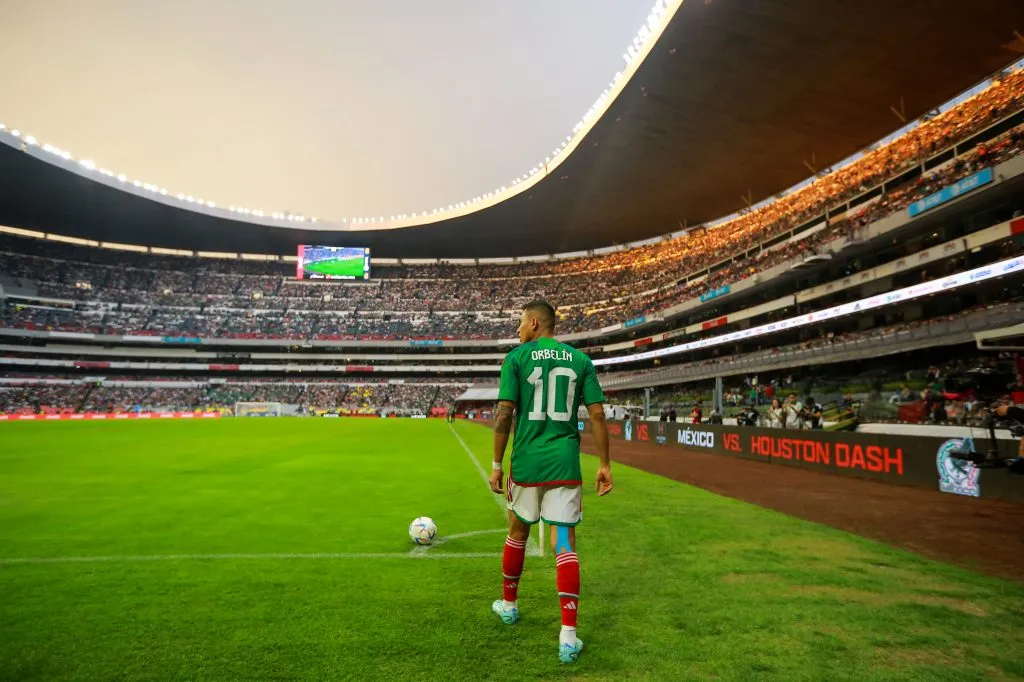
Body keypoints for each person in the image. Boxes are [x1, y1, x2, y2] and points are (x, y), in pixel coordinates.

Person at [488, 300, 613, 664]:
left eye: (520, 323)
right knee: (563, 543)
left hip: (526, 464)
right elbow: (598, 413)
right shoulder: (580, 361)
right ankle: (568, 637)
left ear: (533, 322)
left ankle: (509, 605)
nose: (517, 330)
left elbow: (504, 414)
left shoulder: (516, 358)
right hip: (563, 464)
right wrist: (604, 463)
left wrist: (497, 463)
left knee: (517, 531)